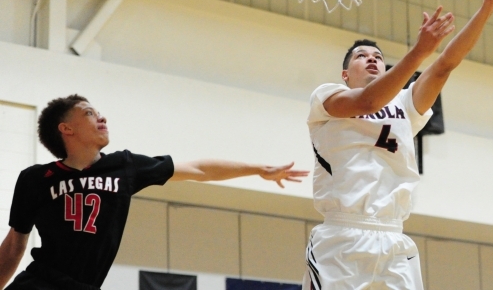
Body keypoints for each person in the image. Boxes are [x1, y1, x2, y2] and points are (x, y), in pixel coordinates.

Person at [303, 0, 493, 290]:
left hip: (394, 239)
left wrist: (488, 6)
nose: (372, 58)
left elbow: (446, 64)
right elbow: (368, 102)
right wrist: (419, 51)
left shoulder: (404, 105)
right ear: (345, 74)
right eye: (361, 56)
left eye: (377, 55)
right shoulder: (327, 98)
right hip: (341, 237)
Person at [0, 95, 309, 290]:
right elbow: (14, 246)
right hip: (40, 283)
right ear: (66, 129)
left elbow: (199, 169)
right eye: (90, 113)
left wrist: (258, 169)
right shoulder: (35, 179)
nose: (102, 117)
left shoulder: (125, 166)